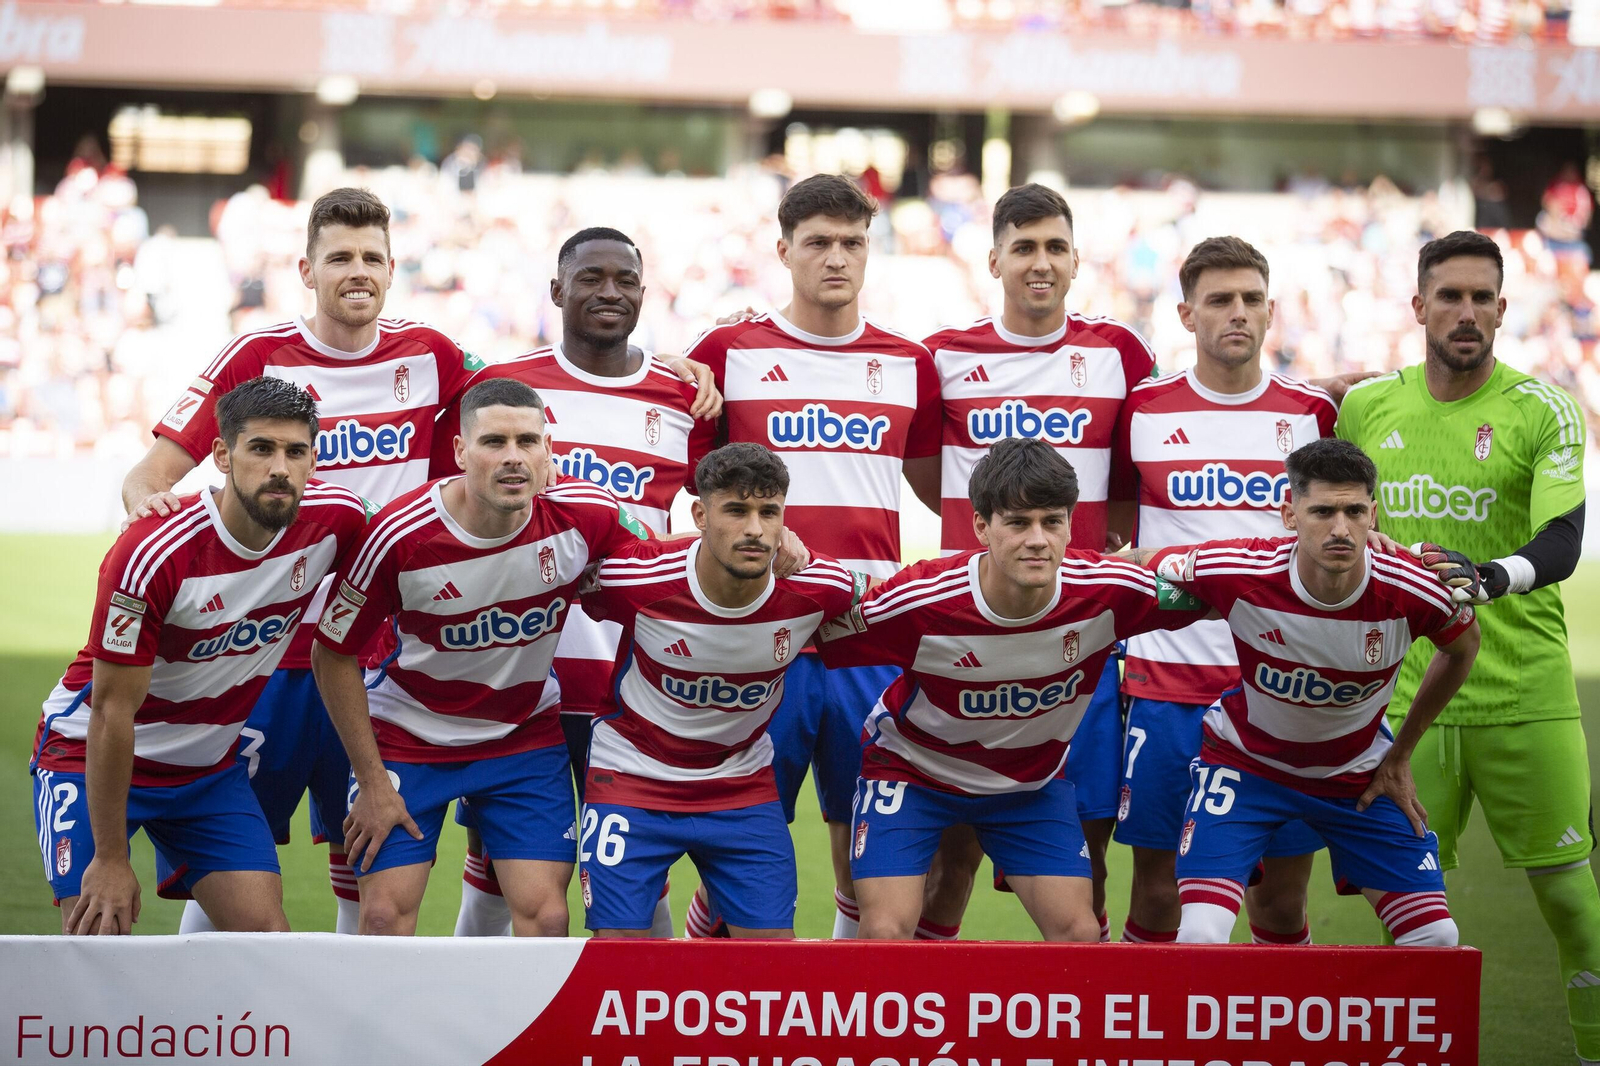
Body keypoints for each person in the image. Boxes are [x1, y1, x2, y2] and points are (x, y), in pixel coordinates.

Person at [120, 188, 718, 936]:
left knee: (357, 867)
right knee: (232, 865)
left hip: (378, 651)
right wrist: (151, 521)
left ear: (393, 267)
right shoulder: (257, 356)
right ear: (307, 269)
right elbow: (151, 473)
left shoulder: (432, 355)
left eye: (372, 257)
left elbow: (519, 396)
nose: (358, 271)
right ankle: (224, 1037)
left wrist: (659, 366)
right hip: (266, 651)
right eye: (340, 257)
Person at [1337, 230, 1596, 1063]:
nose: (1466, 312)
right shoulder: (1369, 407)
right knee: (1407, 911)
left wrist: (1486, 579)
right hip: (1407, 704)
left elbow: (1563, 539)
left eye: (1482, 297)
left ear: (1502, 310)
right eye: (1449, 295)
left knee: (1572, 905)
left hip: (1525, 694)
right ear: (1419, 306)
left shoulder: (1541, 407)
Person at [429, 227, 715, 938]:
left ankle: (638, 1029)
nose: (609, 292)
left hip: (637, 675)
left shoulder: (683, 395)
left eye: (625, 279)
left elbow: (705, 517)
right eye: (591, 278)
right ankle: (483, 1031)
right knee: (500, 863)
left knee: (637, 865)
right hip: (526, 670)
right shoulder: (508, 389)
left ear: (645, 294)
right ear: (557, 291)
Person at [682, 174, 942, 939]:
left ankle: (841, 1028)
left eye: (852, 242)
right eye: (819, 242)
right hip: (762, 639)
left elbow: (941, 491)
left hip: (867, 635)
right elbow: (679, 477)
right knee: (741, 844)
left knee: (869, 859)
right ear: (783, 250)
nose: (837, 257)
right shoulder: (727, 350)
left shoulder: (909, 363)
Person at [816, 438, 1211, 941]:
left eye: (1053, 521)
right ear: (981, 526)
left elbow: (1230, 590)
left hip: (1029, 787)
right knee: (886, 934)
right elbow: (812, 621)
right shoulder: (920, 600)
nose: (1038, 540)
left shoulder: (1111, 591)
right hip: (914, 776)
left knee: (1080, 936)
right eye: (1018, 522)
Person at [311, 378, 655, 936]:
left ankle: (520, 1028)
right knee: (381, 916)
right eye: (494, 442)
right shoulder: (398, 537)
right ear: (460, 452)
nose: (514, 458)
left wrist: (766, 547)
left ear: (549, 453)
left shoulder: (586, 515)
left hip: (522, 735)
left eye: (528, 441)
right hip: (409, 736)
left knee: (546, 917)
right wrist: (373, 781)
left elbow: (662, 565)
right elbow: (332, 653)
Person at [32, 377, 366, 934]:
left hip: (207, 771)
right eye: (261, 448)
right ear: (221, 455)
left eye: (295, 451)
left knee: (266, 939)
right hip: (90, 758)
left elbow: (411, 539)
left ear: (314, 458)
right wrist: (112, 858)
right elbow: (111, 714)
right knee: (97, 936)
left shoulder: (338, 519)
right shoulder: (152, 552)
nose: (280, 467)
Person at [922, 183, 1158, 942]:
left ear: (1077, 259)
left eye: (1055, 246)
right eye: (1023, 246)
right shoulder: (945, 357)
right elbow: (930, 479)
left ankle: (1080, 1021)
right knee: (948, 857)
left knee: (1086, 854)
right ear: (994, 259)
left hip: (1078, 644)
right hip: (967, 639)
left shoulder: (1119, 353)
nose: (1040, 262)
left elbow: (1129, 490)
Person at [1126, 437, 1478, 946]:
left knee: (1438, 940)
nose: (1340, 529)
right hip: (1245, 768)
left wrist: (1401, 753)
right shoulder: (1240, 569)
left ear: (1373, 514)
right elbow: (1143, 559)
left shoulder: (1412, 587)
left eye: (1355, 511)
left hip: (1358, 777)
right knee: (1200, 934)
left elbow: (1463, 646)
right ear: (1289, 514)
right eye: (1322, 512)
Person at [1111, 236, 1337, 947]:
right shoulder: (1143, 410)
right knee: (1157, 892)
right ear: (1186, 314)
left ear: (1270, 312)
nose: (1236, 313)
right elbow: (1121, 532)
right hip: (1167, 683)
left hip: (1281, 686)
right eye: (1218, 300)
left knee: (1279, 900)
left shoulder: (1310, 414)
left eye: (1250, 300)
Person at [578, 442, 870, 937]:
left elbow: (899, 600)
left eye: (768, 513)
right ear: (700, 513)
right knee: (619, 953)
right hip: (631, 775)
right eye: (735, 510)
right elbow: (555, 567)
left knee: (771, 956)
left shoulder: (821, 586)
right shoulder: (635, 576)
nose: (754, 529)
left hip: (740, 782)